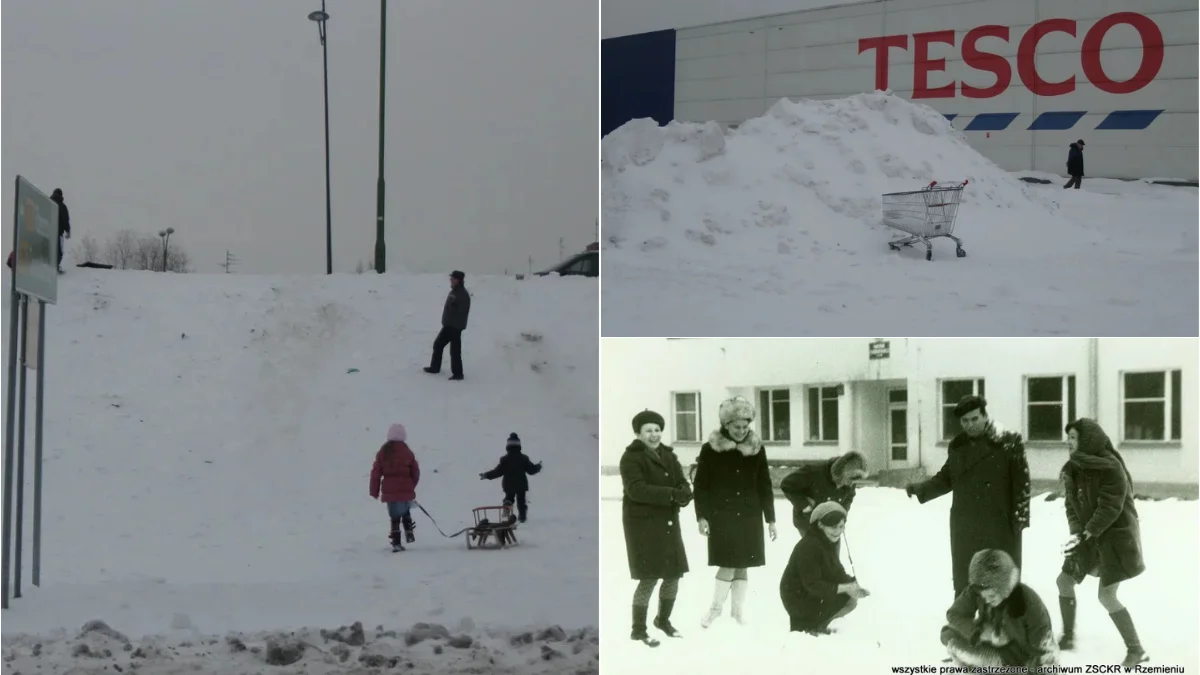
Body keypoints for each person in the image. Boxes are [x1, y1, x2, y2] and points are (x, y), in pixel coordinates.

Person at [905, 395, 1031, 595]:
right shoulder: (958, 445)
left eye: (974, 419)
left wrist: (1020, 519)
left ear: (985, 416)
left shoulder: (1008, 441)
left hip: (999, 523)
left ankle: (1005, 621)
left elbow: (1022, 483)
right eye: (965, 421)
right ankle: (965, 617)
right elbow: (947, 477)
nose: (970, 425)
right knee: (966, 575)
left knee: (1000, 575)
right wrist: (922, 489)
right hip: (966, 523)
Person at [1055, 418, 1148, 667]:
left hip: (1114, 539)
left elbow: (1111, 506)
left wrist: (1089, 530)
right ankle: (1068, 637)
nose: (1069, 442)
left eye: (1073, 437)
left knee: (1107, 596)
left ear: (1088, 440)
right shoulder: (1072, 468)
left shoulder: (1111, 467)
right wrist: (1078, 532)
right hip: (1087, 536)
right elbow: (1070, 505)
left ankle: (1136, 650)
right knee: (1064, 581)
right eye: (1069, 438)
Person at [693, 396, 778, 628]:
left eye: (745, 426)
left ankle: (737, 613)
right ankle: (714, 610)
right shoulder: (711, 450)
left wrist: (770, 519)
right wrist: (702, 516)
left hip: (750, 515)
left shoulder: (757, 449)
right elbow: (701, 486)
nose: (741, 431)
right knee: (728, 562)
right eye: (736, 426)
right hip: (723, 515)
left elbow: (764, 484)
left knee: (743, 564)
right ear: (726, 425)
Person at [620, 410, 692, 647]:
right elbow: (636, 489)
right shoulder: (631, 458)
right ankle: (638, 629)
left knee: (673, 574)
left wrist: (684, 492)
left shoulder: (669, 456)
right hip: (643, 525)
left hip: (668, 523)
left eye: (658, 430)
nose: (654, 435)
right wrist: (673, 494)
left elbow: (681, 481)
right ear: (638, 433)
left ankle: (663, 620)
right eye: (648, 430)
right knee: (649, 576)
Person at [941, 549, 1058, 669]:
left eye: (991, 596)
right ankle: (980, 662)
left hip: (1016, 656)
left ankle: (987, 663)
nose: (986, 601)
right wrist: (979, 633)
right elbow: (954, 614)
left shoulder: (1029, 603)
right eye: (983, 596)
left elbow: (1046, 651)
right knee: (948, 632)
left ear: (1004, 587)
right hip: (986, 643)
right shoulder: (976, 589)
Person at [779, 501, 869, 635]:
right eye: (833, 527)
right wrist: (845, 588)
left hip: (810, 592)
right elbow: (812, 585)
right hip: (798, 598)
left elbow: (837, 572)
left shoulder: (826, 541)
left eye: (841, 526)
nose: (838, 532)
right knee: (846, 596)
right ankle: (809, 628)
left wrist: (854, 584)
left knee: (850, 598)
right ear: (820, 524)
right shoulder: (810, 546)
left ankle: (818, 625)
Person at [780, 451, 867, 536]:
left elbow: (849, 496)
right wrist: (805, 505)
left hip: (833, 525)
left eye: (854, 481)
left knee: (831, 550)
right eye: (849, 480)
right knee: (814, 549)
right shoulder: (813, 471)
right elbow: (787, 485)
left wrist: (842, 514)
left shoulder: (851, 479)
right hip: (808, 522)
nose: (851, 484)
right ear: (842, 473)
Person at [369, 424, 421, 551]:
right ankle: (409, 531)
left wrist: (374, 491)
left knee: (395, 517)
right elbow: (415, 471)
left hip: (390, 492)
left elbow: (375, 473)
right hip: (405, 491)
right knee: (405, 511)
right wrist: (410, 486)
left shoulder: (383, 452)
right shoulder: (407, 452)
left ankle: (396, 542)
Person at [479, 432, 542, 523]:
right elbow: (531, 470)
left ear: (508, 446)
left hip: (508, 484)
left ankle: (507, 504)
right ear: (519, 445)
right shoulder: (523, 458)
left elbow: (498, 472)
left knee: (509, 496)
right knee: (521, 501)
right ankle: (522, 517)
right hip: (521, 484)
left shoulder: (505, 459)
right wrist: (538, 466)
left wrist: (486, 475)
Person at [425, 270, 471, 380]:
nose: (450, 280)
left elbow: (463, 311)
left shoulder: (463, 294)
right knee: (438, 344)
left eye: (453, 278)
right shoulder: (454, 292)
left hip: (455, 327)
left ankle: (458, 374)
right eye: (451, 278)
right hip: (448, 325)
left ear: (458, 280)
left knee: (454, 351)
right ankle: (435, 368)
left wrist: (454, 308)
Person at [50, 188, 71, 273]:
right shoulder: (62, 206)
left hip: (47, 231)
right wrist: (68, 231)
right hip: (58, 232)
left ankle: (48, 267)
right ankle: (56, 267)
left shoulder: (48, 203)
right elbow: (65, 219)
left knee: (49, 249)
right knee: (59, 251)